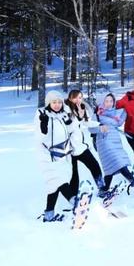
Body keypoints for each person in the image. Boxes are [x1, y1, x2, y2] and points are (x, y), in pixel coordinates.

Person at [34, 90, 77, 222]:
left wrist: (70, 123)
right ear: (49, 102)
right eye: (54, 102)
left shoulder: (63, 115)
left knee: (53, 184)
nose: (57, 105)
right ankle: (75, 201)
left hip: (61, 155)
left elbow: (71, 130)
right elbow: (40, 136)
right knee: (58, 180)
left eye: (59, 102)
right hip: (46, 156)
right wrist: (43, 124)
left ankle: (49, 215)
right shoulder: (42, 114)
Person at [92, 93, 134, 195]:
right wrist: (100, 128)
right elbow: (91, 128)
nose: (109, 104)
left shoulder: (114, 112)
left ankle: (105, 189)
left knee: (110, 166)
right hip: (104, 141)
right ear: (102, 102)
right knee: (118, 161)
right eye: (106, 101)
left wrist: (126, 110)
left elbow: (119, 123)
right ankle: (133, 181)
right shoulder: (97, 114)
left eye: (111, 101)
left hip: (115, 140)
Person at [64, 90, 104, 193]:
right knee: (74, 175)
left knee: (94, 165)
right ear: (70, 98)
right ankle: (73, 197)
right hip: (69, 149)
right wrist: (79, 117)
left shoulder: (81, 108)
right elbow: (68, 128)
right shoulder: (65, 110)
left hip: (80, 147)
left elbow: (86, 123)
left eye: (80, 97)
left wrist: (99, 125)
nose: (78, 100)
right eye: (75, 97)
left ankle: (102, 187)